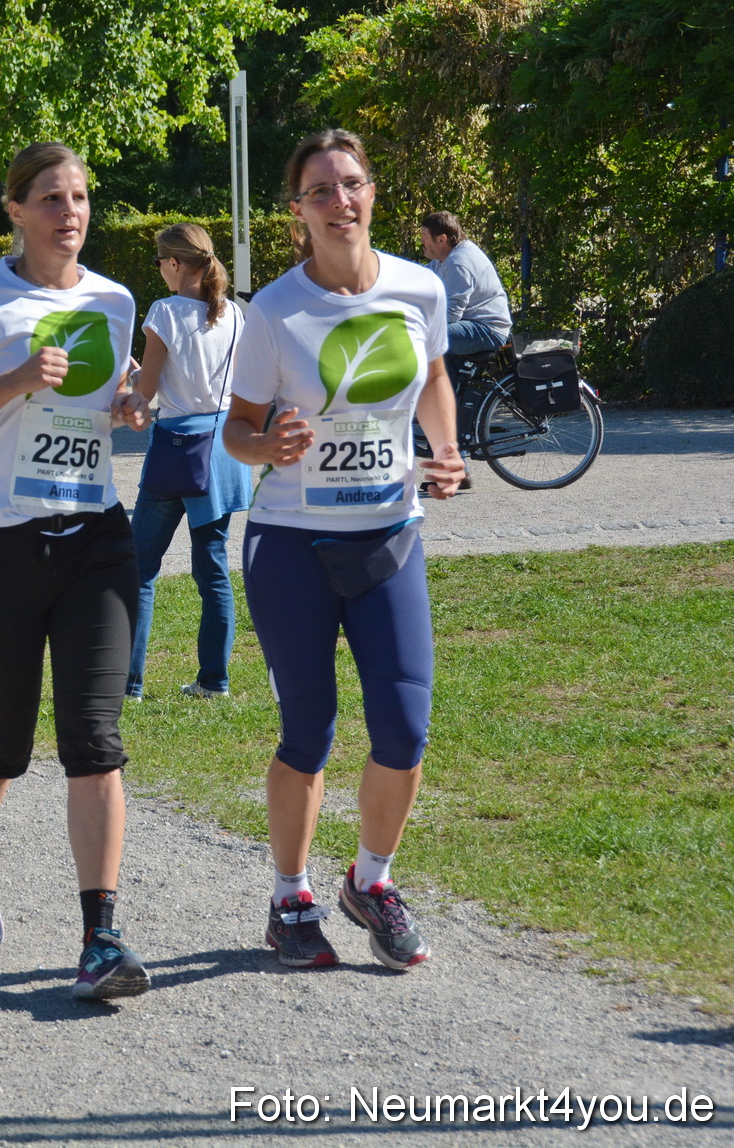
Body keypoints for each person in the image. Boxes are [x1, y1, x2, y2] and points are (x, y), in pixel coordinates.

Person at [0, 142, 154, 1001]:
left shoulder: (114, 300)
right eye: (51, 198)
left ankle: (102, 937)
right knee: (5, 743)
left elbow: (113, 396)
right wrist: (15, 378)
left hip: (95, 538)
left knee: (94, 741)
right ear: (14, 211)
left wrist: (131, 401)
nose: (71, 212)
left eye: (82, 196)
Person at [222, 129, 464, 971]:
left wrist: (446, 450)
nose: (340, 201)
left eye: (351, 184)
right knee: (310, 728)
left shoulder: (417, 286)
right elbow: (237, 430)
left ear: (372, 195)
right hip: (293, 542)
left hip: (390, 537)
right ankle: (291, 895)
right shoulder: (274, 311)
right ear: (298, 212)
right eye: (320, 190)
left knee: (404, 727)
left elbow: (432, 376)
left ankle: (371, 881)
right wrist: (269, 446)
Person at [126, 223, 248, 701]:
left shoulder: (165, 312)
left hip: (176, 448)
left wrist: (129, 376)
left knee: (139, 569)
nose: (159, 270)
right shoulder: (234, 313)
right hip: (220, 449)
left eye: (160, 261)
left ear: (175, 264)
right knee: (213, 571)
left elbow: (148, 390)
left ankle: (129, 682)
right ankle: (214, 681)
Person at [419, 210, 511, 360]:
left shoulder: (458, 262)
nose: (422, 242)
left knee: (424, 336)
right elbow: (418, 277)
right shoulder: (443, 259)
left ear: (442, 239)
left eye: (424, 237)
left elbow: (452, 313)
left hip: (487, 329)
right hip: (471, 323)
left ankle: (440, 383)